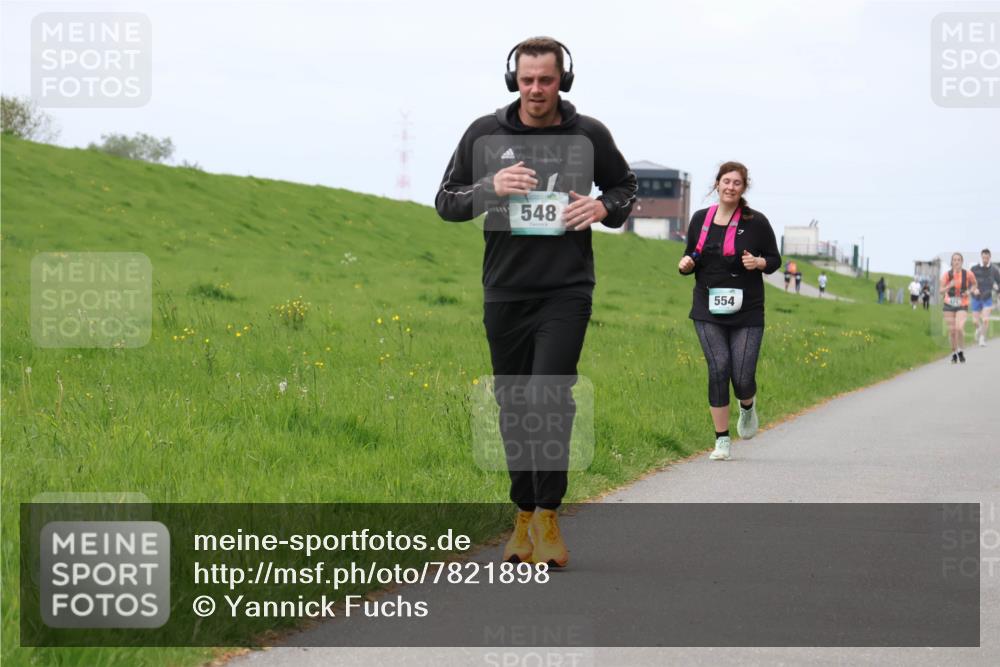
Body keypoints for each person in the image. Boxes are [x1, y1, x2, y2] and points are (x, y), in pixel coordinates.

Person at [435, 37, 637, 567]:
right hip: (505, 289)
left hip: (566, 288)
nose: (536, 90)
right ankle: (522, 513)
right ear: (513, 80)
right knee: (514, 404)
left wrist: (601, 207)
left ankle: (549, 514)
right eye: (527, 80)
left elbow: (624, 188)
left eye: (546, 79)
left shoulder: (589, 134)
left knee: (550, 395)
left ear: (562, 80)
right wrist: (490, 187)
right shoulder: (485, 133)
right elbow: (446, 201)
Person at [678, 161, 781, 461]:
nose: (730, 187)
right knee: (719, 367)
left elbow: (774, 259)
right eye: (726, 181)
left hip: (747, 308)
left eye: (737, 183)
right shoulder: (700, 219)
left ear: (743, 188)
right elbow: (690, 255)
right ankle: (721, 440)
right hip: (707, 305)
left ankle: (747, 406)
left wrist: (759, 263)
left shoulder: (757, 222)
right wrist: (685, 265)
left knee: (743, 375)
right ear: (717, 184)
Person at [939, 252, 977, 363]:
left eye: (958, 260)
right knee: (952, 331)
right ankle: (954, 353)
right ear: (951, 262)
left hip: (962, 303)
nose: (956, 262)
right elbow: (941, 291)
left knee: (959, 328)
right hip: (949, 304)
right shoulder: (947, 275)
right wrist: (949, 286)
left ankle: (960, 351)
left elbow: (975, 284)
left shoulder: (968, 274)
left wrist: (969, 291)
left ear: (962, 262)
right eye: (954, 260)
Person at [970, 248, 1000, 347]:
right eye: (983, 257)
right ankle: (978, 329)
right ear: (981, 257)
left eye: (987, 258)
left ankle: (982, 339)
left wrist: (997, 289)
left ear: (989, 257)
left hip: (987, 297)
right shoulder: (974, 269)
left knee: (985, 319)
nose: (985, 259)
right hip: (976, 297)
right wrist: (973, 289)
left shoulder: (994, 270)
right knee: (975, 321)